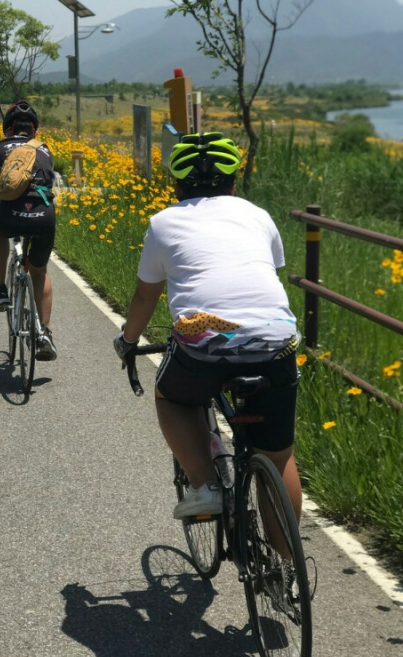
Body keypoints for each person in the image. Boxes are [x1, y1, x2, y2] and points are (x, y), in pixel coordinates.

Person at [114, 132, 302, 520]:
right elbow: (268, 275)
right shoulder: (257, 215)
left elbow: (145, 297)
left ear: (177, 185)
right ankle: (285, 573)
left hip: (205, 347)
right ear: (233, 183)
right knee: (279, 456)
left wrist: (128, 341)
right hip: (276, 340)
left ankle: (206, 487)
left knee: (173, 398)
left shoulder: (163, 223)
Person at [0, 101, 57, 361]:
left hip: (10, 216)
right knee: (39, 272)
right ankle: (43, 334)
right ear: (34, 130)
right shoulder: (45, 150)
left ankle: (0, 290)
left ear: (8, 128)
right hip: (44, 218)